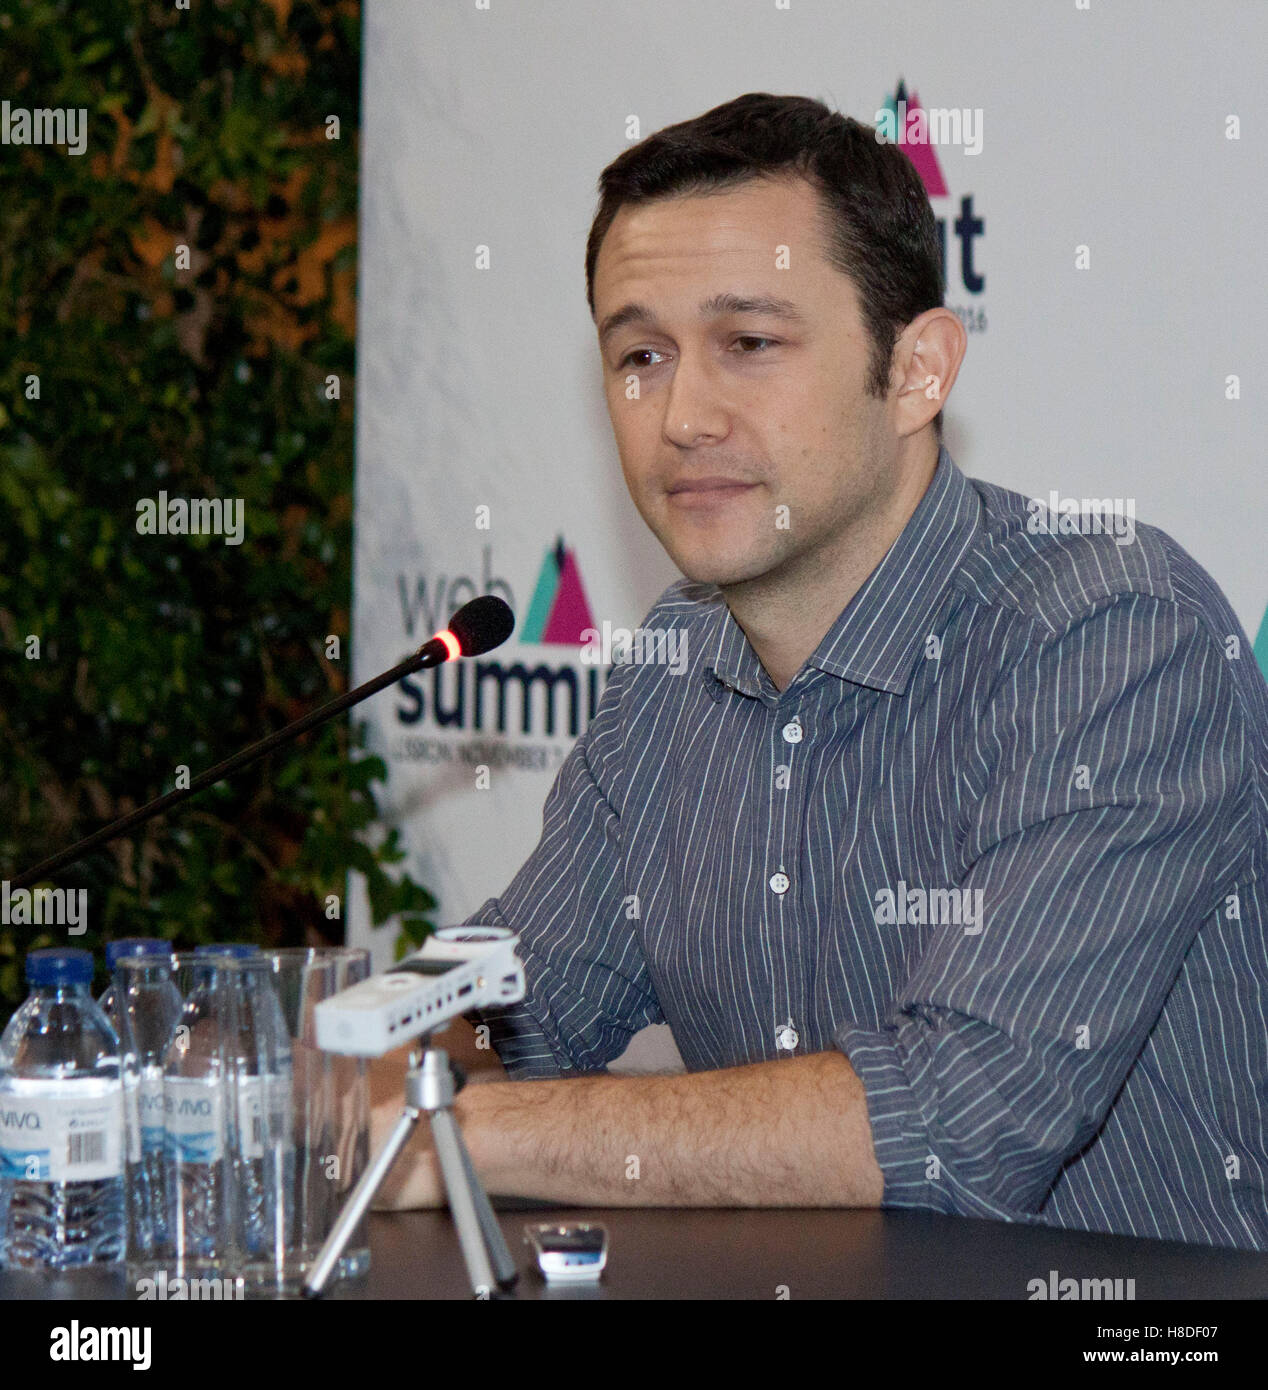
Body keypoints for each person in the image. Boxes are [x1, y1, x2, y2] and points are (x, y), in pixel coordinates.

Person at [371, 93, 1268, 1251]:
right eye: (640, 354)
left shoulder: (1110, 636)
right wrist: (340, 1052)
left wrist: (463, 1133)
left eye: (749, 343)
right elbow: (516, 1012)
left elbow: (957, 1122)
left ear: (916, 371)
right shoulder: (668, 671)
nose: (682, 414)